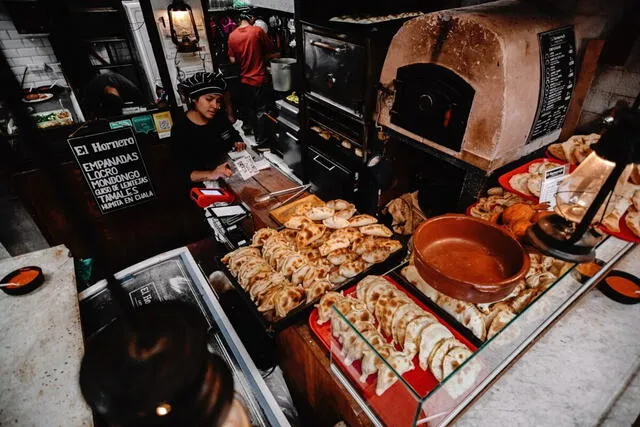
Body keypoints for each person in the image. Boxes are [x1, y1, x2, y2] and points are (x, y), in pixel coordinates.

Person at [171, 71, 246, 186]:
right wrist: (212, 174)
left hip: (230, 175)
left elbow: (233, 134)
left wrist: (238, 142)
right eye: (209, 99)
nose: (215, 106)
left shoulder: (219, 117)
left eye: (218, 100)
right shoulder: (181, 128)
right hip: (205, 186)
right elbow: (184, 174)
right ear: (194, 99)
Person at [227, 11, 276, 144]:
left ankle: (254, 136)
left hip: (244, 79)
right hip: (258, 78)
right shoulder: (257, 31)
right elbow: (271, 48)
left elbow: (232, 60)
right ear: (251, 19)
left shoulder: (232, 36)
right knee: (261, 110)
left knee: (250, 109)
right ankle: (262, 142)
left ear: (238, 21)